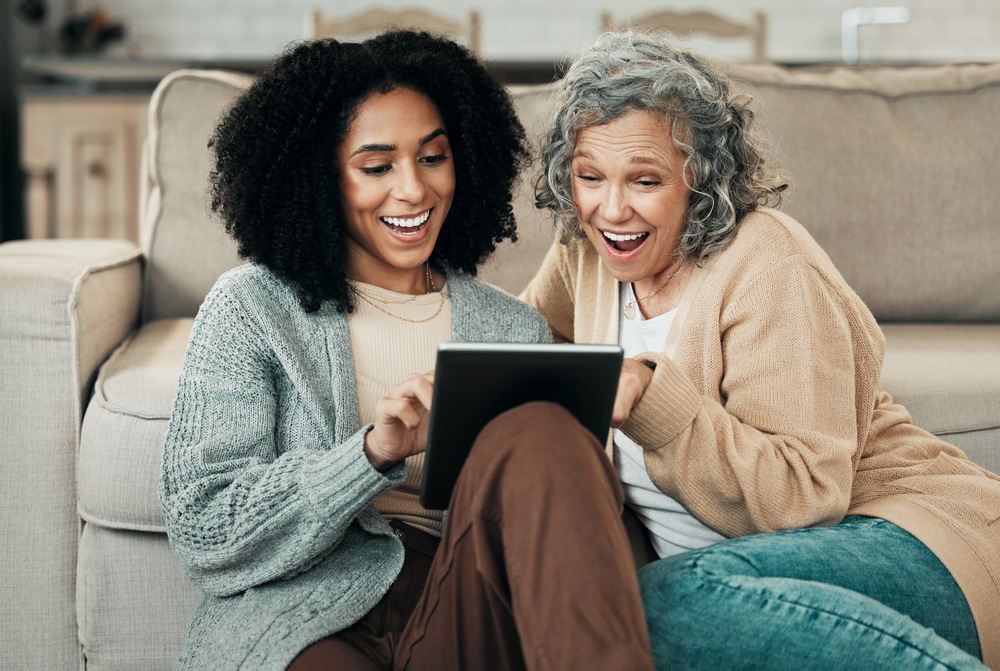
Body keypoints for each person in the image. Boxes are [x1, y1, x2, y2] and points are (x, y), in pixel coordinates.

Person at [159, 31, 655, 671]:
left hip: (459, 610)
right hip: (305, 620)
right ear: (320, 178)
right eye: (377, 167)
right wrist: (371, 453)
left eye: (432, 157)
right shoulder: (252, 309)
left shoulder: (512, 330)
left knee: (544, 430)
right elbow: (206, 529)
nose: (414, 190)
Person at [523, 30, 1000, 671]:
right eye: (589, 177)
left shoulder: (766, 260)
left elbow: (803, 499)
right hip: (735, 588)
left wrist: (652, 396)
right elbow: (514, 344)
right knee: (622, 611)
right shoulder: (586, 256)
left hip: (908, 536)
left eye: (645, 180)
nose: (612, 209)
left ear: (701, 180)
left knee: (660, 604)